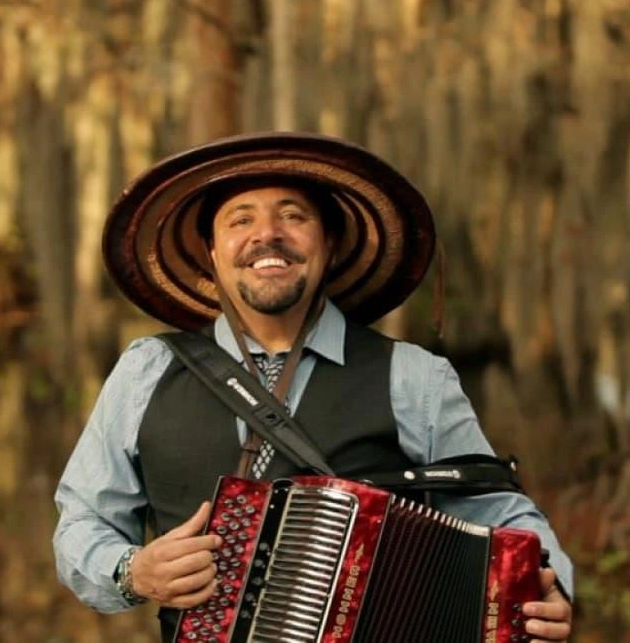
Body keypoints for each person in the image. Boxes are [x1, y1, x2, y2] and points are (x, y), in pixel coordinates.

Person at [53, 131, 574, 641]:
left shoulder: (413, 377)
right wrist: (132, 571)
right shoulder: (147, 371)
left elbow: (502, 513)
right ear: (211, 252)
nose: (267, 234)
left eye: (293, 215)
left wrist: (554, 591)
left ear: (328, 243)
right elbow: (82, 523)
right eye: (241, 219)